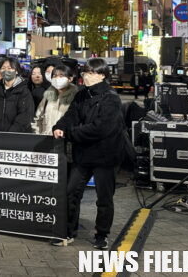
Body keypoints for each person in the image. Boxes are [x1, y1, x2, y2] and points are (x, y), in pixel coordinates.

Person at [52, 58, 125, 249]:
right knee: (71, 192)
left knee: (104, 198)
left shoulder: (111, 98)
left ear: (102, 75)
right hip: (83, 154)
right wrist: (59, 126)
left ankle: (102, 234)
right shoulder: (82, 95)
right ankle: (67, 231)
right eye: (85, 72)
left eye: (91, 72)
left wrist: (70, 133)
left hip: (106, 156)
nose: (86, 75)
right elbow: (71, 116)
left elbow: (101, 128)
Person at [0, 57, 34, 133]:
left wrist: (11, 134)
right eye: (3, 68)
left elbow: (25, 116)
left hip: (17, 137)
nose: (6, 71)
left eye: (9, 68)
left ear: (16, 71)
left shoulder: (24, 91)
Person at [32, 64, 78, 135]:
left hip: (65, 141)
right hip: (45, 141)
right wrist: (38, 134)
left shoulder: (75, 97)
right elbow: (37, 119)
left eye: (61, 76)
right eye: (54, 76)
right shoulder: (47, 96)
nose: (57, 78)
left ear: (70, 79)